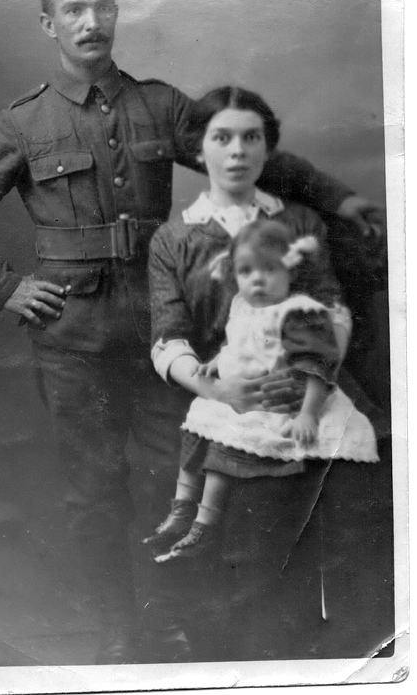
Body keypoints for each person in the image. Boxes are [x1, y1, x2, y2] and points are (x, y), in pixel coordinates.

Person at [0, 0, 384, 665]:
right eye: (75, 10)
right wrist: (5, 287)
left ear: (117, 13)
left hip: (160, 331)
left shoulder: (157, 106)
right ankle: (119, 632)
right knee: (93, 490)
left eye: (102, 7)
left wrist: (339, 200)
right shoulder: (23, 123)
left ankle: (171, 619)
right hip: (72, 337)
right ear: (48, 23)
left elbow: (247, 158)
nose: (91, 23)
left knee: (173, 476)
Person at [145, 87, 385, 656]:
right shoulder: (176, 239)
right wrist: (216, 386)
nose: (237, 151)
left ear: (267, 148)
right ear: (198, 150)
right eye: (221, 137)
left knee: (349, 518)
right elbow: (167, 335)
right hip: (222, 398)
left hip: (311, 391)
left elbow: (331, 307)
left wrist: (310, 376)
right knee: (239, 551)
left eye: (251, 137)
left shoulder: (298, 223)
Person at [144, 218, 378, 563]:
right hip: (247, 394)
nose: (257, 279)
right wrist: (216, 364)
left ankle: (205, 523)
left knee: (226, 446)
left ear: (291, 272)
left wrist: (308, 414)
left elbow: (317, 365)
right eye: (246, 271)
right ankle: (182, 507)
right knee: (198, 421)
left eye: (269, 269)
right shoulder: (242, 305)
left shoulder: (298, 313)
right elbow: (239, 345)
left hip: (286, 397)